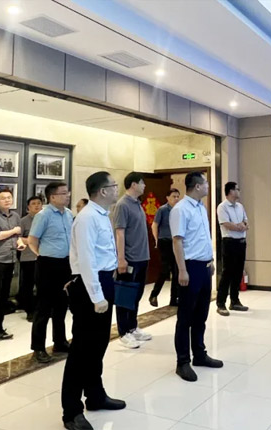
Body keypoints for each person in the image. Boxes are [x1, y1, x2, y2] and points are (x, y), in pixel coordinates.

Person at [61, 171, 125, 430]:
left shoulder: (101, 214)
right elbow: (86, 260)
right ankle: (71, 412)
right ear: (103, 191)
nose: (117, 189)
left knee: (98, 345)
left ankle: (95, 395)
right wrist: (97, 296)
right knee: (82, 350)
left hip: (102, 280)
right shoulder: (87, 217)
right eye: (114, 185)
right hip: (89, 286)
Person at [170, 172, 223, 382]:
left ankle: (199, 354)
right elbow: (177, 241)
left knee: (201, 314)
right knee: (185, 316)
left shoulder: (201, 207)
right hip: (190, 267)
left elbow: (203, 237)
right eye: (206, 183)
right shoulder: (180, 209)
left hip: (204, 266)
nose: (208, 186)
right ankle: (182, 361)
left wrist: (210, 261)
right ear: (198, 186)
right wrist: (182, 270)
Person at [28, 182, 74, 364]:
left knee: (62, 305)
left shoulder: (68, 213)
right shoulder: (43, 215)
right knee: (44, 307)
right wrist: (41, 255)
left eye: (67, 192)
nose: (67, 195)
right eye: (63, 193)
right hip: (47, 264)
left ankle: (60, 342)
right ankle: (38, 347)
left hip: (65, 264)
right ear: (52, 197)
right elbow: (32, 240)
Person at [113, 172, 151, 349]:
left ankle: (132, 327)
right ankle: (123, 332)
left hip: (142, 257)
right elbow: (119, 233)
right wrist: (121, 259)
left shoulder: (137, 203)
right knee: (125, 296)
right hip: (129, 259)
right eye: (142, 183)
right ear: (133, 184)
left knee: (136, 295)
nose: (144, 186)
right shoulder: (122, 204)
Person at [0, 188, 25, 349]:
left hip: (10, 259)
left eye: (9, 197)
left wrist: (20, 242)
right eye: (3, 198)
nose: (7, 200)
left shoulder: (15, 216)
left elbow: (17, 236)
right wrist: (14, 231)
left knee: (4, 297)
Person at [216, 182, 249, 316]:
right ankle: (221, 303)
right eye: (237, 189)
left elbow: (246, 221)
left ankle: (235, 301)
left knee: (238, 272)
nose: (239, 191)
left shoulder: (240, 206)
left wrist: (243, 225)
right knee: (227, 272)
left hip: (241, 242)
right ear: (230, 191)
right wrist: (240, 227)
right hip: (229, 242)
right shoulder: (222, 207)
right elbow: (226, 224)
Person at [148, 188, 180, 307]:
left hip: (176, 241)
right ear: (167, 198)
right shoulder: (162, 209)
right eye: (173, 196)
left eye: (177, 196)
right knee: (165, 269)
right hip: (164, 241)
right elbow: (154, 225)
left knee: (176, 271)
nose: (176, 199)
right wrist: (157, 239)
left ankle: (174, 299)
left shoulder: (179, 210)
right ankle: (154, 295)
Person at [18, 195, 43, 322]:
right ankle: (30, 311)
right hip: (28, 258)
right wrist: (32, 241)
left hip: (44, 257)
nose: (37, 205)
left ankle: (41, 310)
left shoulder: (45, 218)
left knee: (42, 286)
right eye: (33, 203)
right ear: (28, 207)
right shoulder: (23, 221)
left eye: (39, 203)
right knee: (28, 285)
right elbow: (18, 238)